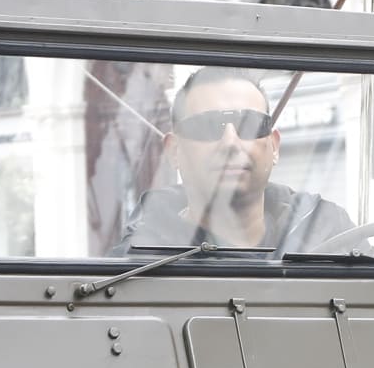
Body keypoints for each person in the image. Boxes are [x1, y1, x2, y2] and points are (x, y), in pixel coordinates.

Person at [124, 67, 355, 252]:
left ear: (274, 146)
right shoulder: (138, 260)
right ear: (174, 151)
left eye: (249, 125)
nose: (231, 142)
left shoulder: (330, 232)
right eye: (208, 126)